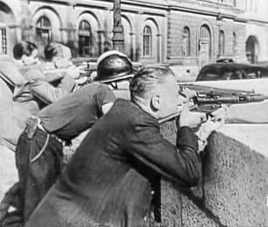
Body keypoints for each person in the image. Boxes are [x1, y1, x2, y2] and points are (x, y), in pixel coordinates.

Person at [25, 66, 226, 227]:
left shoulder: (124, 113)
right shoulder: (136, 124)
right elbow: (188, 172)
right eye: (177, 94)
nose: (182, 100)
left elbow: (165, 156)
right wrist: (184, 127)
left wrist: (201, 133)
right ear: (156, 101)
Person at [3, 51, 134, 226]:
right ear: (117, 80)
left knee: (45, 204)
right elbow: (114, 122)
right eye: (129, 79)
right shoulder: (103, 91)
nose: (132, 84)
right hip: (40, 141)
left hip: (41, 140)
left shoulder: (93, 89)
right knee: (38, 207)